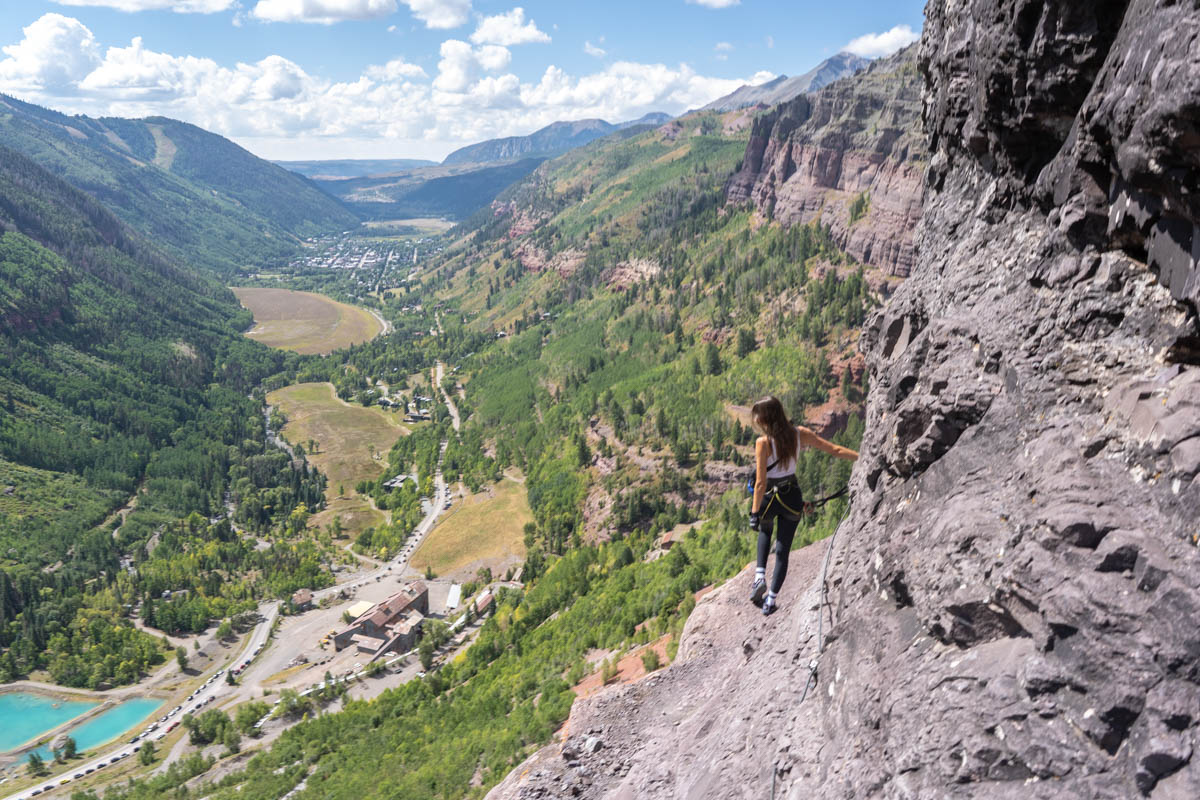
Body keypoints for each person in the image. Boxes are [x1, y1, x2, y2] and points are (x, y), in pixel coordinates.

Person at [749, 396, 858, 615]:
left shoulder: (763, 443)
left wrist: (754, 512)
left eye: (758, 418)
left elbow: (760, 482)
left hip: (771, 495)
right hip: (792, 497)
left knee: (765, 529)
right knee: (783, 551)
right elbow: (834, 450)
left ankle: (759, 577)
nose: (757, 422)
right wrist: (862, 457)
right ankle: (770, 601)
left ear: (766, 419)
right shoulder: (799, 434)